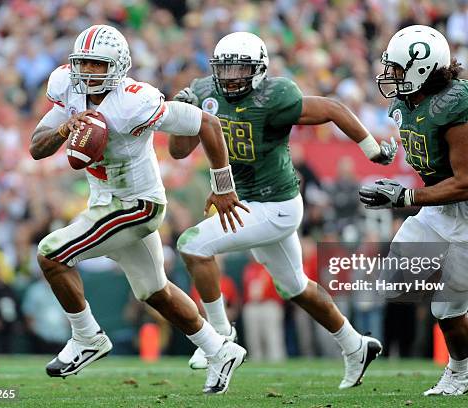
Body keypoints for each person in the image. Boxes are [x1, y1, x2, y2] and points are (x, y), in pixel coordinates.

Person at [170, 32, 396, 389]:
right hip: (248, 203)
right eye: (224, 69)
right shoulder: (204, 92)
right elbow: (179, 152)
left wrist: (371, 148)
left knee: (192, 245)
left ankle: (220, 334)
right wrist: (184, 113)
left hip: (276, 205)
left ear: (258, 70)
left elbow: (334, 108)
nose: (230, 77)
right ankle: (355, 346)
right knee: (296, 287)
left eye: (239, 69)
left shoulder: (274, 97)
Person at [29, 24, 247, 394]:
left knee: (51, 254)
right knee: (154, 291)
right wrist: (65, 128)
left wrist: (223, 185)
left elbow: (206, 123)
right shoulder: (67, 86)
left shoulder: (134, 101)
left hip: (137, 204)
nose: (87, 72)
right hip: (104, 203)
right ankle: (219, 349)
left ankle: (87, 337)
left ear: (117, 66)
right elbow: (37, 147)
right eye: (82, 63)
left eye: (97, 65)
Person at [360, 25, 468, 395]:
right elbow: (421, 142)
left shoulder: (458, 104)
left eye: (399, 69)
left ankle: (460, 372)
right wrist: (389, 154)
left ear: (421, 69)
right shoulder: (406, 101)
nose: (391, 77)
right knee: (396, 275)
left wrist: (405, 199)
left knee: (446, 311)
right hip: (441, 207)